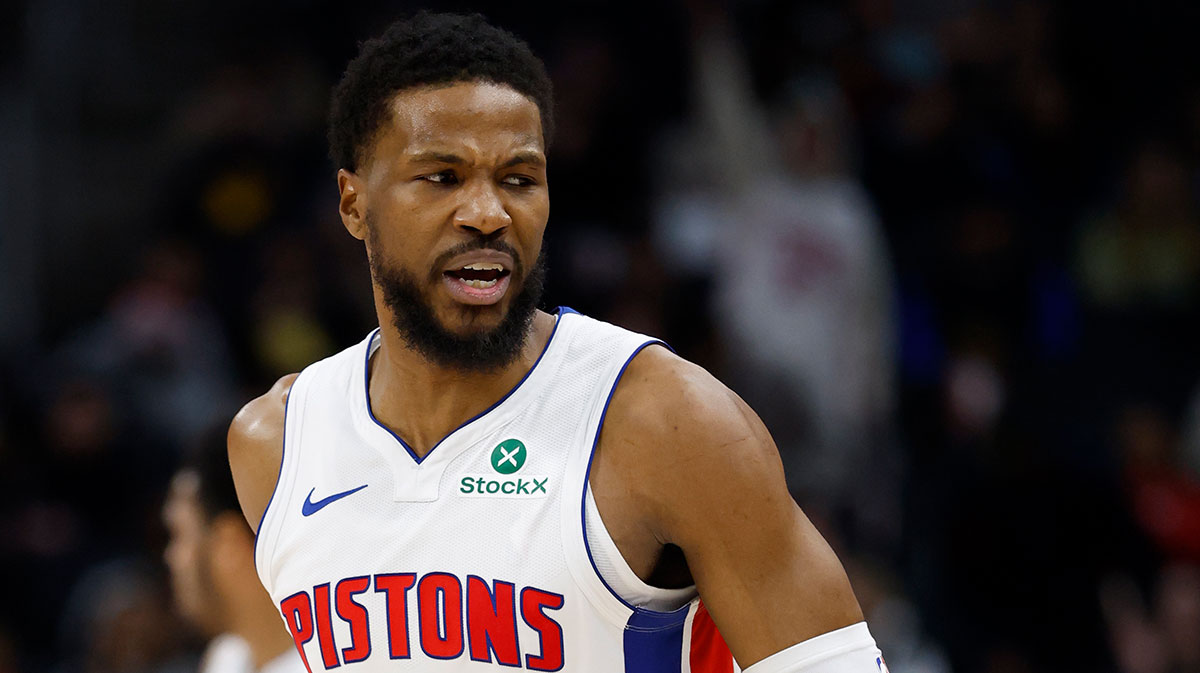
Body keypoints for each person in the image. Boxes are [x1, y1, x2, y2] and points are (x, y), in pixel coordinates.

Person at [228, 12, 889, 672]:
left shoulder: (667, 421)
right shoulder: (276, 445)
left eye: (519, 178)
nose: (488, 212)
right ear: (353, 203)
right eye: (443, 177)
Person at [164, 429, 305, 673]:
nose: (170, 557)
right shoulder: (227, 656)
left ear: (229, 543)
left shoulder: (332, 664)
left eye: (180, 535)